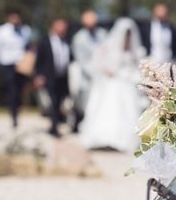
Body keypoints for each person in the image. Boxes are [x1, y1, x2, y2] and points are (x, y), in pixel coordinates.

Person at [80, 17, 145, 151]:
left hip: (127, 84)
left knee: (128, 110)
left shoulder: (134, 50)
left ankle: (123, 140)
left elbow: (137, 66)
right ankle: (104, 138)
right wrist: (109, 71)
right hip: (113, 82)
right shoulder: (109, 45)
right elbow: (98, 61)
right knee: (110, 109)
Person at [0, 10, 32, 129]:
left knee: (18, 92)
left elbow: (28, 47)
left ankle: (15, 112)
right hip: (7, 64)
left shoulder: (25, 31)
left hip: (21, 66)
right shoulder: (1, 31)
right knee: (12, 91)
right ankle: (13, 115)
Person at [71, 10, 107, 130]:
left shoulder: (102, 34)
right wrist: (96, 73)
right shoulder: (79, 38)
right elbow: (82, 61)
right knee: (87, 106)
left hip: (103, 76)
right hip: (87, 78)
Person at [34, 18, 71, 137]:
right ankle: (54, 127)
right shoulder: (45, 41)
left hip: (63, 77)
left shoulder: (67, 41)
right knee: (53, 101)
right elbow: (39, 60)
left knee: (60, 102)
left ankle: (56, 124)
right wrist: (38, 75)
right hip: (49, 77)